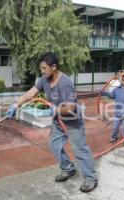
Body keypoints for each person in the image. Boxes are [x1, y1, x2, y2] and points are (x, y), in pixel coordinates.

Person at [6, 52, 97, 193]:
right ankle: (68, 169)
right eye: (41, 68)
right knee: (54, 145)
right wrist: (16, 105)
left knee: (80, 150)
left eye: (44, 68)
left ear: (53, 66)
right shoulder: (44, 80)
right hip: (58, 121)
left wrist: (55, 110)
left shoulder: (65, 84)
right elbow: (31, 93)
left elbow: (70, 108)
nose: (42, 71)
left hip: (72, 121)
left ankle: (91, 178)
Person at [103, 72, 124, 146]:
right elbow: (112, 96)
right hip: (117, 112)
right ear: (121, 81)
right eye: (123, 80)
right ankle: (113, 137)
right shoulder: (116, 89)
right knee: (115, 126)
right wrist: (105, 92)